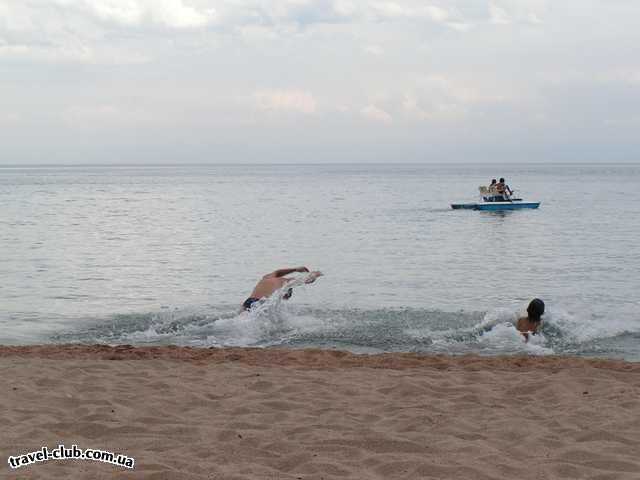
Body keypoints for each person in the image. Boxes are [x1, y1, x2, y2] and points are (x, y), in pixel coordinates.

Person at [242, 267, 323, 311]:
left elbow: (277, 272)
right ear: (286, 292)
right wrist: (316, 274)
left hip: (248, 302)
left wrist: (296, 269)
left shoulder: (267, 278)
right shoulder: (286, 283)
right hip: (261, 304)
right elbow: (306, 279)